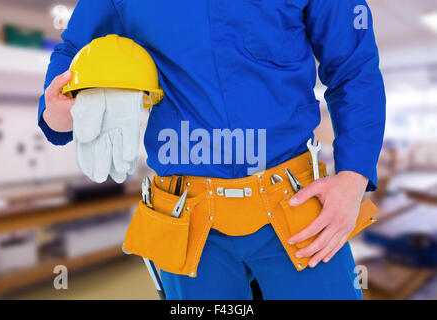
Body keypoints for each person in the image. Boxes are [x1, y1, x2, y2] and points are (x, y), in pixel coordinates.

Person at [39, 0, 385, 299]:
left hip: (298, 208)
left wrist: (353, 179)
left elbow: (354, 70)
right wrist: (56, 111)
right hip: (185, 219)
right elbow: (71, 50)